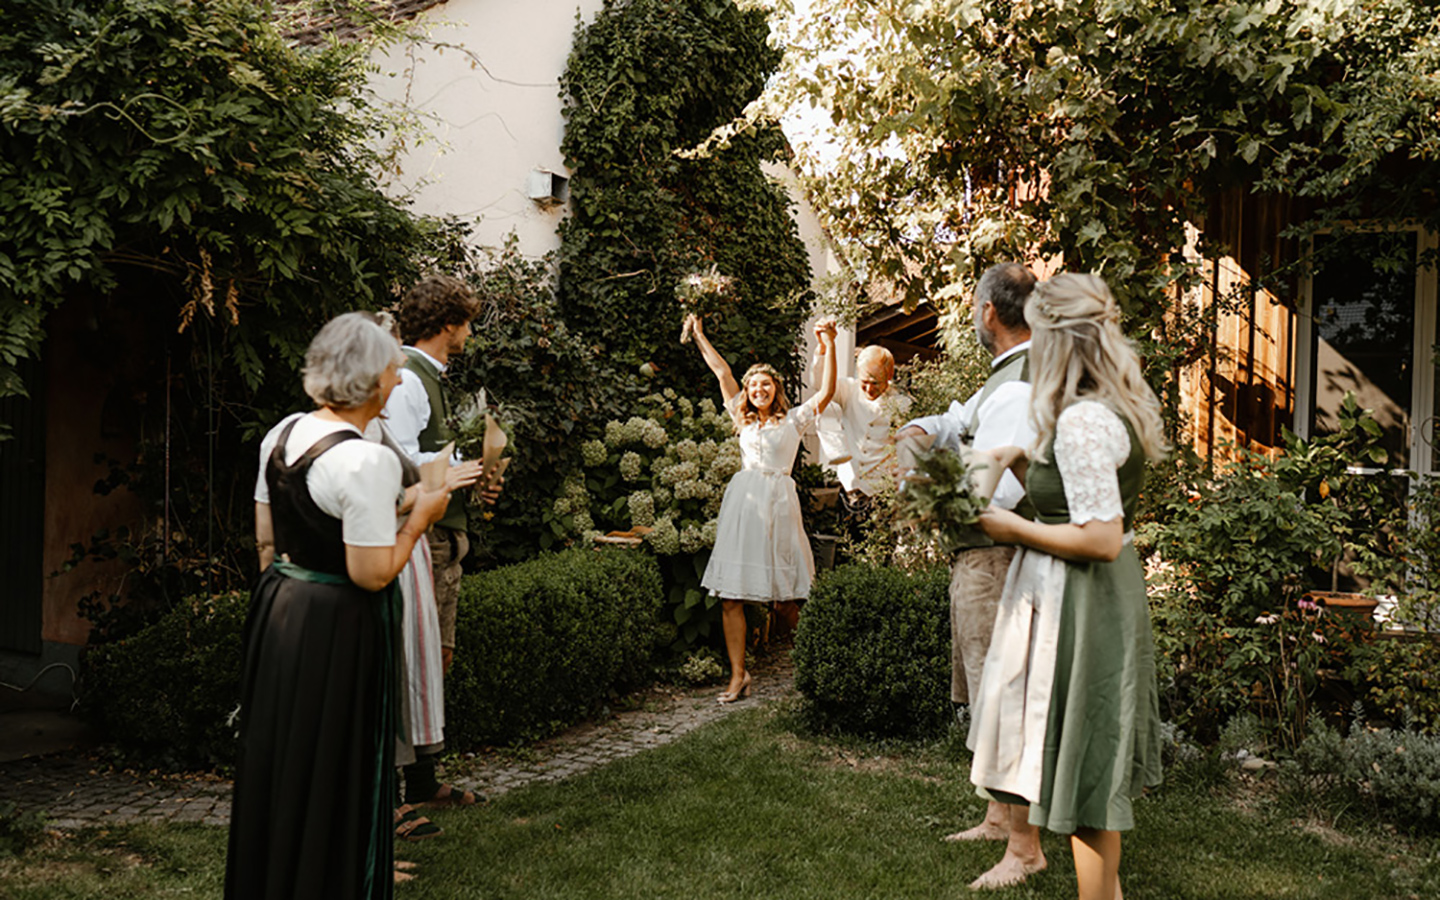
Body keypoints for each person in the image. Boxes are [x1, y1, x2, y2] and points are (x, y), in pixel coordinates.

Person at [227, 312, 457, 899]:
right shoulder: (366, 458)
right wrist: (421, 519)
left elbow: (268, 536)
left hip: (280, 608)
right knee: (338, 763)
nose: (399, 380)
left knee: (284, 757)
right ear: (370, 381)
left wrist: (401, 501)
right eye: (392, 370)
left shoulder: (281, 434)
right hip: (339, 622)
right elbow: (373, 573)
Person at [969, 273, 1167, 900]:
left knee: (1084, 780)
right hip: (1099, 594)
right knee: (1089, 769)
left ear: (1055, 339)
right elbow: (1079, 496)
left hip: (1081, 598)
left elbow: (1100, 535)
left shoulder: (1082, 420)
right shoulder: (1108, 405)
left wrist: (1006, 525)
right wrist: (1017, 461)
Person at [894, 262, 1046, 889]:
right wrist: (922, 428)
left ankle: (1024, 846)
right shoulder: (1007, 378)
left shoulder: (1020, 384)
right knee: (985, 690)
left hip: (997, 554)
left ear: (988, 311)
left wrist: (927, 486)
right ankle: (996, 815)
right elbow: (960, 418)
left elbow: (998, 494)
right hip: (981, 556)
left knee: (1002, 696)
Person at [687, 313, 837, 703]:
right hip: (744, 508)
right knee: (731, 596)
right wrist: (700, 335)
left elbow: (826, 393)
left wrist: (831, 344)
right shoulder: (743, 420)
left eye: (765, 385)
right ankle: (739, 675)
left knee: (786, 601)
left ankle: (814, 663)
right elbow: (722, 373)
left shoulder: (793, 421)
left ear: (776, 390)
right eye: (752, 385)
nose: (757, 390)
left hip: (779, 508)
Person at [383, 273, 491, 809]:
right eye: (467, 322)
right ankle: (403, 794)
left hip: (443, 533)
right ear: (448, 324)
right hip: (421, 537)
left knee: (434, 656)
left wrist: (473, 475)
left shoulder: (428, 376)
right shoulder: (405, 381)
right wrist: (452, 474)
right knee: (415, 660)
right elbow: (397, 469)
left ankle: (423, 783)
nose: (470, 332)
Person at [812, 329, 911, 530]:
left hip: (882, 493)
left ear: (889, 375)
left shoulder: (903, 404)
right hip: (849, 490)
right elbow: (820, 385)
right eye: (864, 382)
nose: (868, 389)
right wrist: (823, 348)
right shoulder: (848, 390)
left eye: (875, 383)